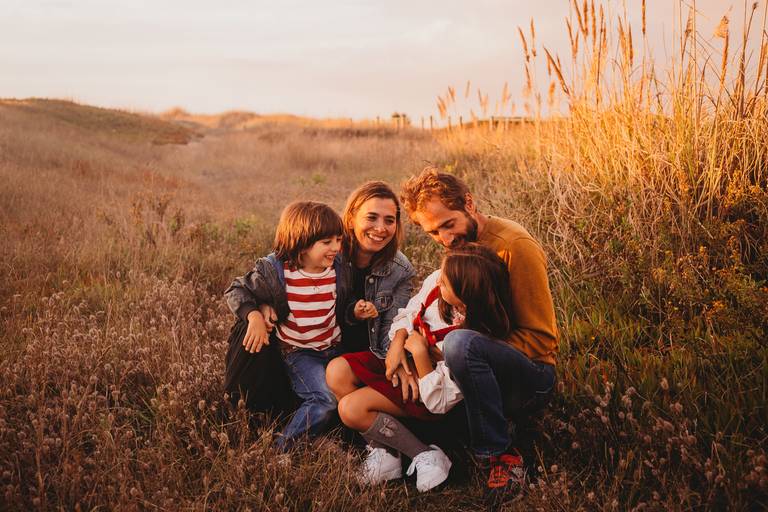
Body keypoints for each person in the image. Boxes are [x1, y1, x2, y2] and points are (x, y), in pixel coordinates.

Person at [398, 166, 559, 501]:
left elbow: (542, 339)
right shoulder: (463, 244)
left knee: (460, 344)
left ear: (469, 204)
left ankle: (500, 456)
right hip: (478, 369)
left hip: (530, 376)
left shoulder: (514, 246)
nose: (444, 239)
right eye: (433, 233)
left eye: (448, 224)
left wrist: (451, 355)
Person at [334, 244, 515, 493]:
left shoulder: (471, 340)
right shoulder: (438, 285)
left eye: (445, 281)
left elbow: (438, 402)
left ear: (466, 295)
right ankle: (385, 452)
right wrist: (397, 344)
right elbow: (409, 312)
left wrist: (419, 354)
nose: (438, 279)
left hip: (427, 389)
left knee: (350, 409)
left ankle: (426, 454)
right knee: (337, 371)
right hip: (403, 359)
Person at [223, 200, 352, 451]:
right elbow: (236, 290)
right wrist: (254, 316)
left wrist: (355, 310)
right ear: (301, 243)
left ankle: (333, 439)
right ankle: (282, 448)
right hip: (300, 353)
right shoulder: (277, 270)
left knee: (348, 395)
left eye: (338, 240)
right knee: (323, 399)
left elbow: (344, 304)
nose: (336, 247)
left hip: (334, 348)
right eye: (327, 242)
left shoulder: (338, 268)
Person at [325, 181, 416, 403]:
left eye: (389, 220)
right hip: (320, 347)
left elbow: (390, 328)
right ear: (351, 218)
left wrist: (396, 359)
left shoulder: (400, 270)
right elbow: (279, 272)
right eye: (371, 217)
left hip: (366, 353)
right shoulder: (327, 250)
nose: (381, 228)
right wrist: (259, 310)